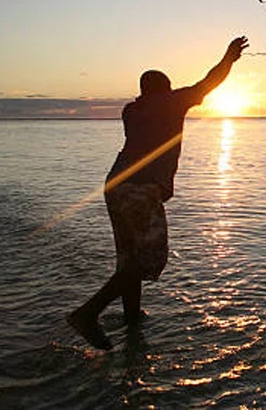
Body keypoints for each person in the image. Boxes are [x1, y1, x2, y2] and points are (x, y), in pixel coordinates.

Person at [67, 36, 249, 350]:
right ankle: (88, 313)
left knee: (129, 259)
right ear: (166, 89)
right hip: (140, 189)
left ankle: (132, 319)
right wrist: (229, 58)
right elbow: (209, 82)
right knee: (151, 259)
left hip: (116, 187)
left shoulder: (131, 110)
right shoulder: (170, 103)